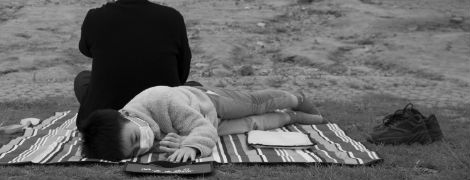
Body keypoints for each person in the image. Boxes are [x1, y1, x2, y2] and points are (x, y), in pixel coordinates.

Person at [74, 0, 192, 129]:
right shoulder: (172, 18)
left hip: (106, 118)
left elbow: (87, 49)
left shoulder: (96, 18)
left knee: (83, 80)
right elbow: (181, 75)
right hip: (162, 117)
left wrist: (109, 3)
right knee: (194, 88)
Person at [80, 84, 324, 162]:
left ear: (127, 116)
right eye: (135, 150)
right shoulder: (144, 131)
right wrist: (176, 142)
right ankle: (294, 117)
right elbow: (192, 133)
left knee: (253, 104)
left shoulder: (160, 101)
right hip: (206, 124)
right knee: (253, 124)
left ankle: (297, 98)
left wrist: (191, 147)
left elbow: (201, 129)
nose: (144, 145)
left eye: (135, 138)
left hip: (208, 103)